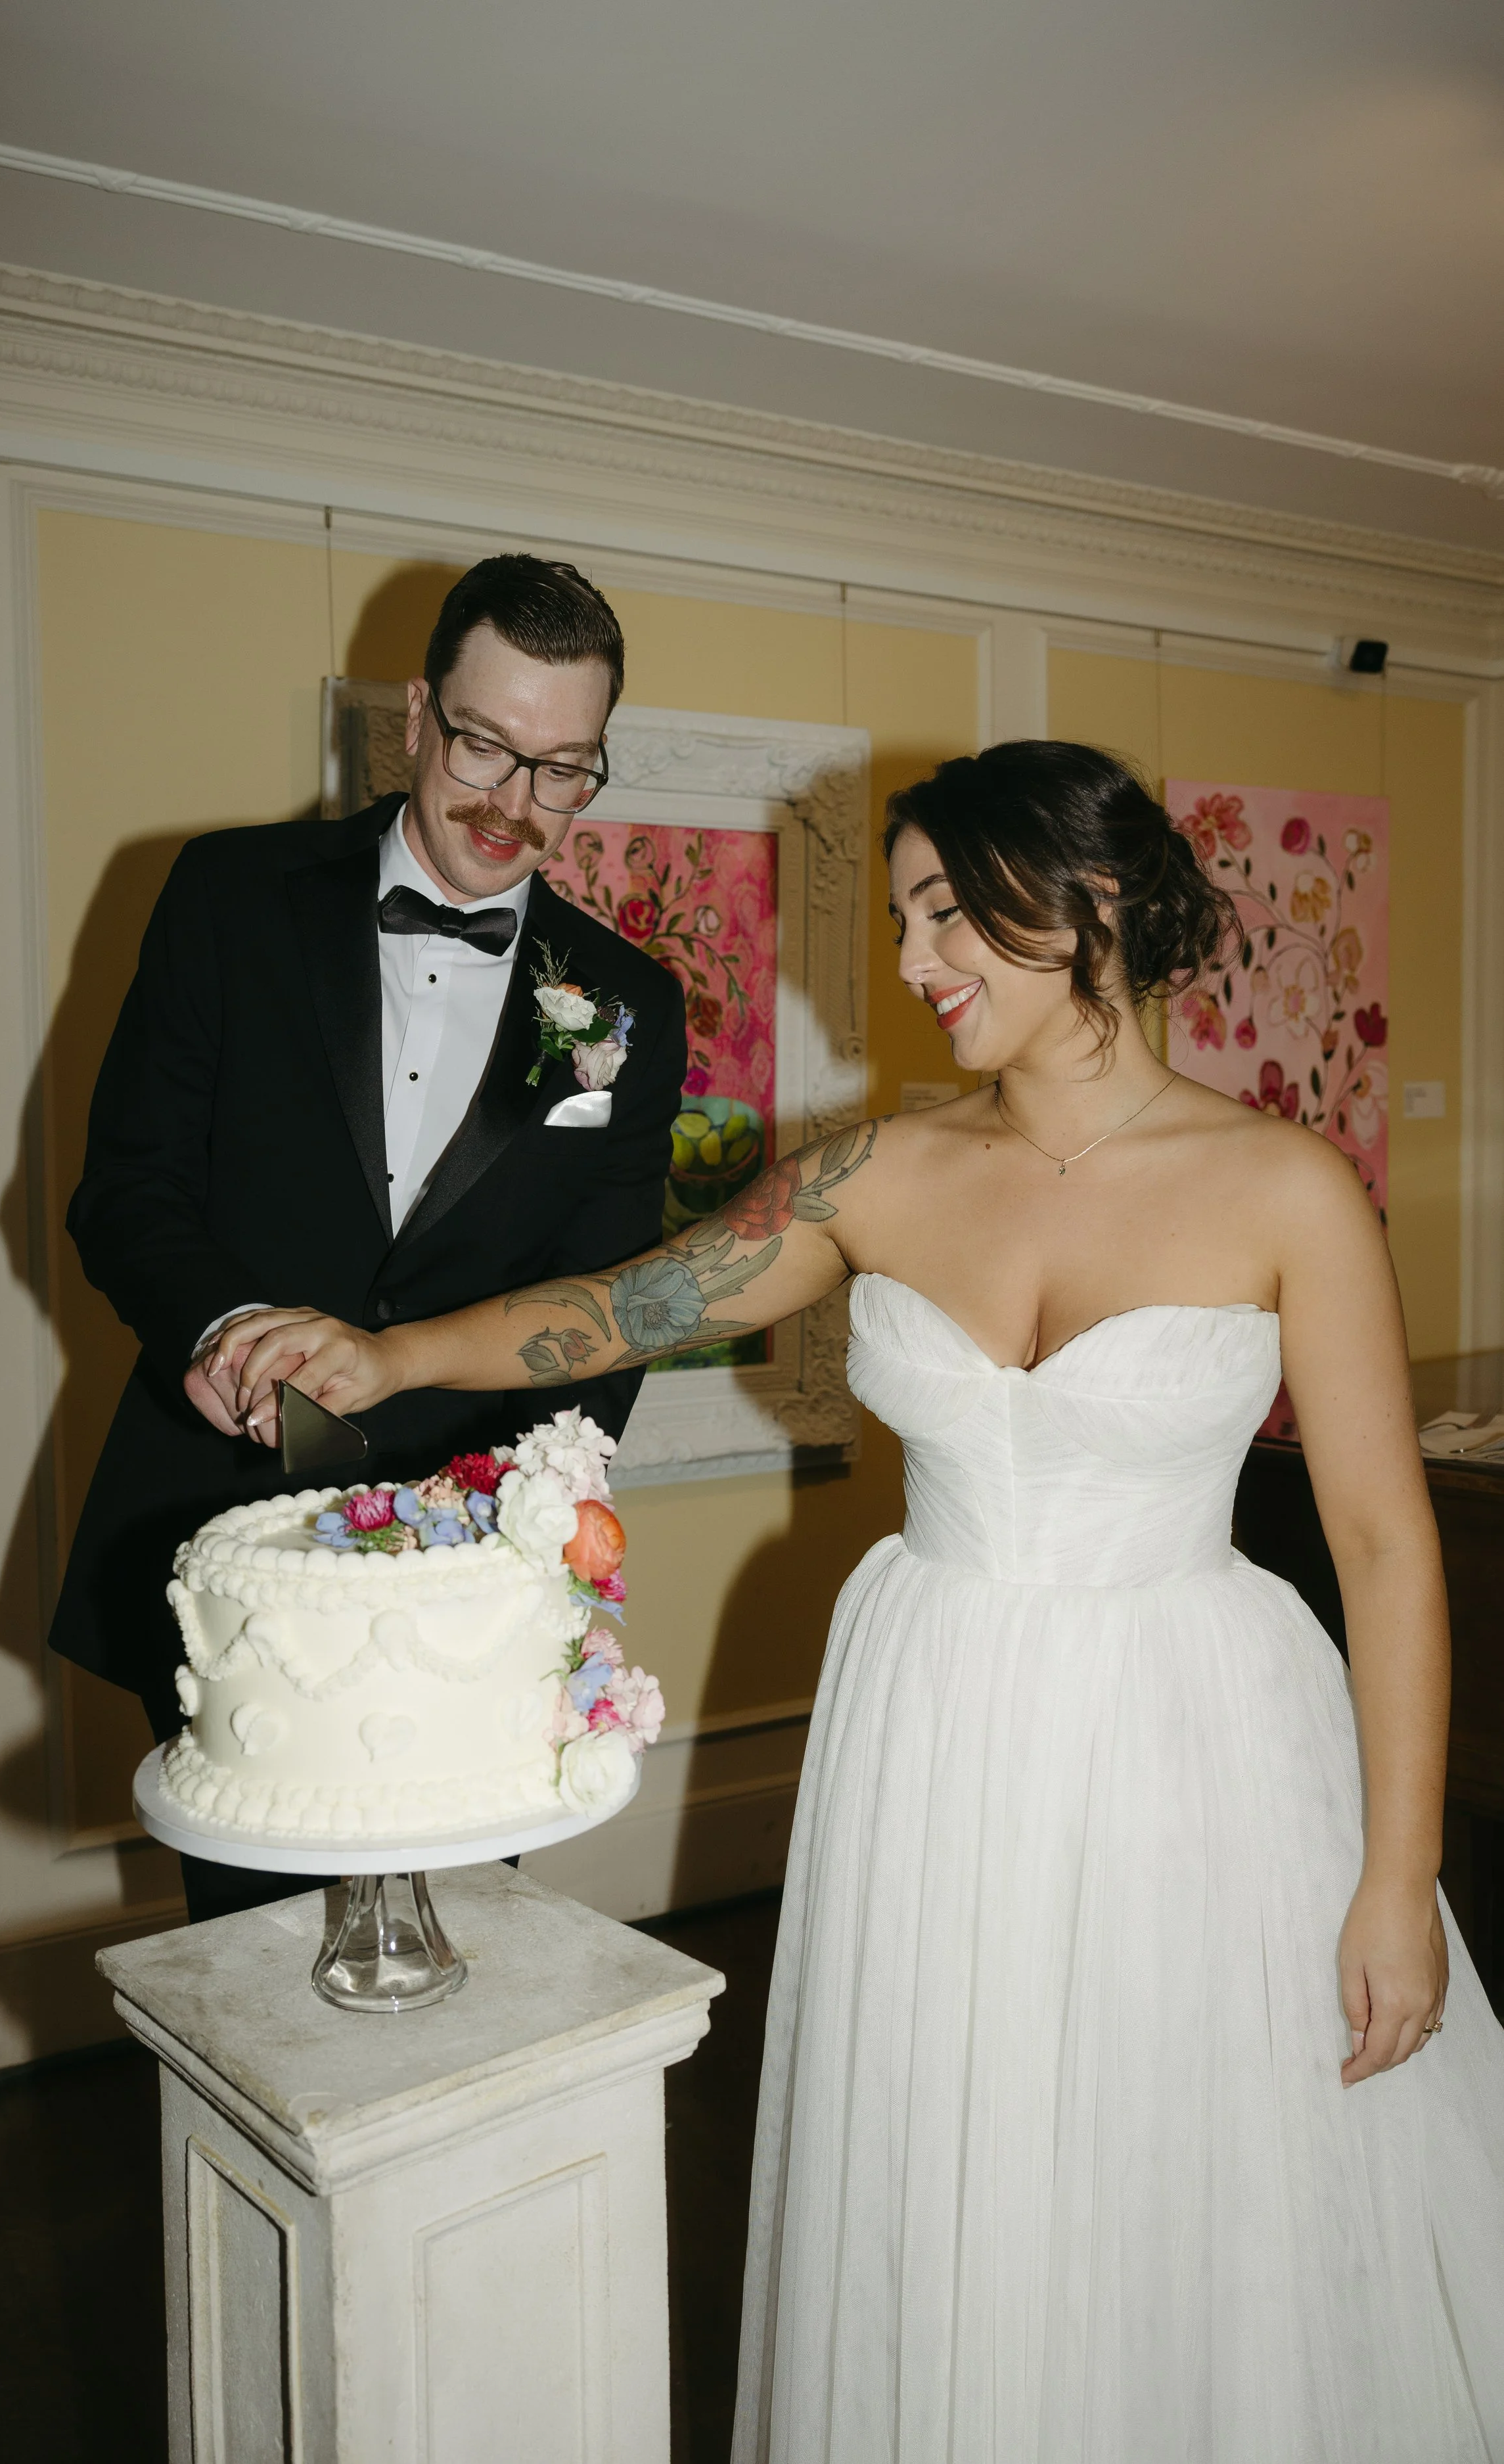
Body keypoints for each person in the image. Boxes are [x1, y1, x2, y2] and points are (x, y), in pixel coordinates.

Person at [219, 739, 1504, 2459]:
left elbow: (1380, 1541)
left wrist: (1398, 1877)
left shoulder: (1283, 1189)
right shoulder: (873, 1173)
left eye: (946, 913)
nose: (910, 962)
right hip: (938, 1718)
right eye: (903, 919)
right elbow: (628, 1305)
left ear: (1092, 901)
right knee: (965, 2149)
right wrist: (383, 1351)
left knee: (1194, 2152)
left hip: (1195, 1742)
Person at [49, 554, 687, 1922]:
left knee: (463, 1972)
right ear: (413, 715)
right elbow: (128, 1189)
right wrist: (222, 1330)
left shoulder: (619, 1002)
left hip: (474, 1594)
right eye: (482, 747)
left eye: (563, 768)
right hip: (235, 1547)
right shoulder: (228, 896)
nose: (514, 806)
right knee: (251, 1972)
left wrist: (518, 1527)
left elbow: (610, 1303)